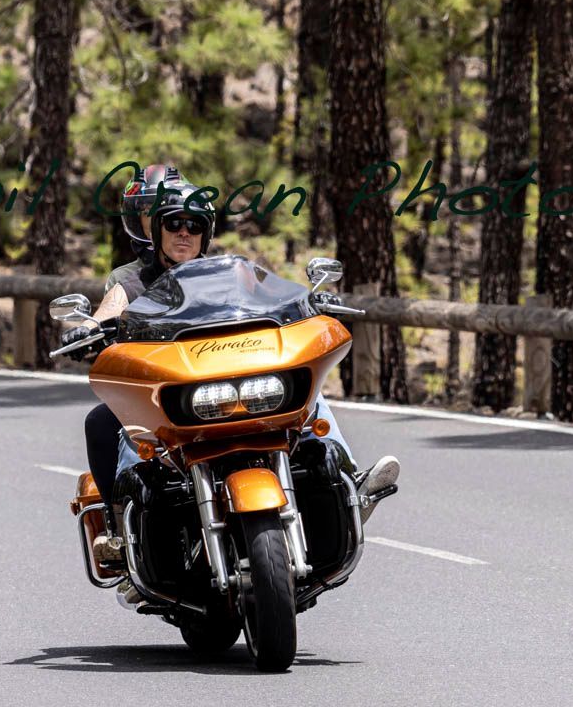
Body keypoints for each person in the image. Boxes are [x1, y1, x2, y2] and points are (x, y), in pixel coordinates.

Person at [74, 174, 399, 568]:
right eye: (174, 223)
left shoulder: (226, 275)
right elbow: (108, 310)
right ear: (157, 230)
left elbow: (271, 296)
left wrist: (309, 302)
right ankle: (120, 529)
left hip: (233, 379)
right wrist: (90, 328)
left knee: (312, 399)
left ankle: (352, 483)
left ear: (206, 233)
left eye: (194, 225)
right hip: (174, 394)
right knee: (106, 423)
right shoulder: (131, 281)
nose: (184, 233)